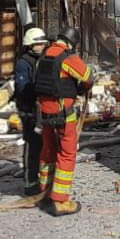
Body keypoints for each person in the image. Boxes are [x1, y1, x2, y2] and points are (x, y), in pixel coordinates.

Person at [35, 26, 92, 216]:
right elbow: (88, 77)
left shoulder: (43, 56)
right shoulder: (67, 58)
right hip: (63, 115)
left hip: (45, 114)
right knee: (67, 154)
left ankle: (45, 192)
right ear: (71, 43)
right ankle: (60, 201)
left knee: (48, 151)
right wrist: (82, 88)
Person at [14, 27, 49, 197]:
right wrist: (39, 88)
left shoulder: (44, 59)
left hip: (41, 109)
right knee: (32, 145)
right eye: (38, 44)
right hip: (28, 110)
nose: (41, 46)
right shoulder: (23, 63)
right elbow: (22, 89)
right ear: (29, 45)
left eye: (43, 43)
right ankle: (30, 183)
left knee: (44, 145)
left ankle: (42, 177)